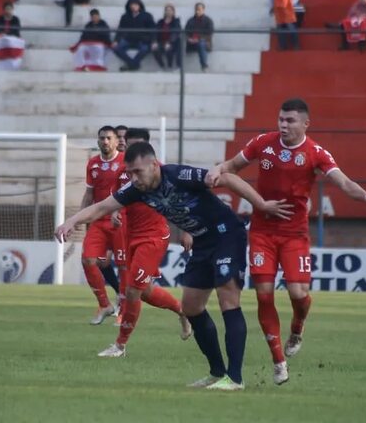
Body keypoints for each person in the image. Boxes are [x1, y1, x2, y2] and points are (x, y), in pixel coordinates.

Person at [56, 142, 293, 390]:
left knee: (228, 300)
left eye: (138, 172)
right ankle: (216, 372)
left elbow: (229, 179)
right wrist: (71, 221)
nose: (134, 178)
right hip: (202, 241)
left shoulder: (179, 175)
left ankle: (234, 378)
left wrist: (261, 204)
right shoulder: (136, 189)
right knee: (191, 306)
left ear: (154, 165)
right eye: (130, 172)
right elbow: (102, 206)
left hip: (226, 234)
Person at [209, 98, 366, 386]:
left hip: (294, 234)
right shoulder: (263, 142)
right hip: (262, 231)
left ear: (305, 124)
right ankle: (279, 361)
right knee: (263, 294)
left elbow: (343, 182)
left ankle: (298, 326)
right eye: (281, 119)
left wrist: (365, 197)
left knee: (297, 292)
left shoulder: (315, 153)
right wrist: (218, 170)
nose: (283, 125)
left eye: (290, 120)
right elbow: (232, 165)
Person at [96, 128, 192, 357]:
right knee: (146, 291)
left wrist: (187, 230)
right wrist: (116, 212)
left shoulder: (160, 171)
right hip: (131, 236)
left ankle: (120, 345)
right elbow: (117, 200)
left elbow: (180, 202)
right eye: (128, 143)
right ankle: (182, 311)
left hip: (154, 237)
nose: (131, 148)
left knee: (132, 291)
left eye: (137, 144)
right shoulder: (123, 171)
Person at [78, 126, 127, 325]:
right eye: (101, 138)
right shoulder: (93, 164)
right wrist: (80, 218)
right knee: (88, 260)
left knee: (124, 267)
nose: (105, 142)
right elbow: (89, 194)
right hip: (99, 220)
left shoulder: (126, 162)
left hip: (121, 221)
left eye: (108, 138)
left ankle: (124, 309)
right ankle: (105, 304)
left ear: (117, 141)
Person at [112, 0, 155, 72]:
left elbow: (152, 30)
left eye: (135, 4)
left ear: (139, 5)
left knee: (145, 49)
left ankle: (130, 65)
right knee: (116, 47)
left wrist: (154, 41)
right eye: (131, 4)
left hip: (142, 40)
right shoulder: (125, 16)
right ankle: (133, 64)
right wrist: (116, 41)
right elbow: (120, 30)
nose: (133, 6)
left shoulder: (147, 16)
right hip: (128, 40)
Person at [185, 2, 213, 72]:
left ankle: (204, 66)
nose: (197, 11)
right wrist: (189, 39)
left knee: (201, 43)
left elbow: (210, 33)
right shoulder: (190, 20)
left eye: (199, 9)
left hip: (204, 43)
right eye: (196, 9)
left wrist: (198, 39)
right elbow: (186, 32)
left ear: (203, 10)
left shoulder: (208, 21)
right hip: (192, 43)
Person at [152, 3, 182, 70]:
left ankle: (169, 66)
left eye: (170, 10)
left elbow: (175, 33)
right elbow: (155, 32)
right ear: (165, 12)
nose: (168, 12)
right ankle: (162, 66)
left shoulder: (176, 21)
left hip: (172, 43)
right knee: (154, 49)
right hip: (162, 42)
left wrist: (169, 42)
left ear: (173, 12)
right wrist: (154, 42)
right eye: (167, 10)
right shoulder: (160, 21)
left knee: (168, 48)